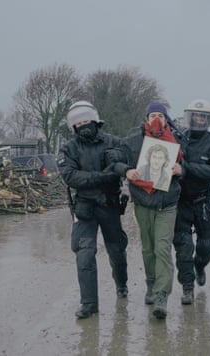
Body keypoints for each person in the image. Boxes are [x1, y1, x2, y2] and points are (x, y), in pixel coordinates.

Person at [109, 101, 182, 319]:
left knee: (162, 247)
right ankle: (151, 283)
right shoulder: (132, 141)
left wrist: (181, 169)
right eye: (153, 115)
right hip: (142, 202)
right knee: (148, 248)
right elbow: (114, 160)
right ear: (146, 119)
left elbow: (186, 166)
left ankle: (161, 295)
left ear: (166, 118)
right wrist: (126, 170)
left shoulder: (176, 140)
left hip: (167, 203)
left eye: (161, 115)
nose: (156, 119)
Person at [57, 100, 128, 319]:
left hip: (109, 203)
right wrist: (102, 176)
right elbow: (70, 176)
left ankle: (121, 284)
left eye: (87, 120)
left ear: (95, 120)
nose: (84, 124)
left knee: (116, 249)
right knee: (84, 254)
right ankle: (88, 303)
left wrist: (115, 170)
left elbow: (125, 165)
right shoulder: (68, 148)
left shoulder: (114, 142)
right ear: (73, 126)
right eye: (79, 122)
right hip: (85, 207)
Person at [173, 99, 210, 305]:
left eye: (202, 116)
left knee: (207, 246)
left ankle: (200, 266)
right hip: (180, 202)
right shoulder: (177, 140)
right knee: (183, 249)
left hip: (203, 201)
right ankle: (187, 287)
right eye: (195, 116)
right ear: (189, 117)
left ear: (208, 120)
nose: (198, 119)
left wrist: (187, 168)